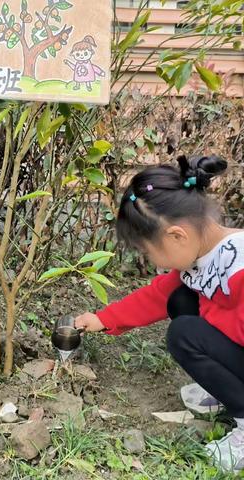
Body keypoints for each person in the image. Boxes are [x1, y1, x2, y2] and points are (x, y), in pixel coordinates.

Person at [75, 155, 244, 473]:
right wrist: (104, 319)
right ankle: (228, 392)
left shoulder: (239, 268)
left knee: (185, 334)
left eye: (149, 252)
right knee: (181, 300)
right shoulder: (201, 254)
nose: (156, 263)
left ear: (177, 236)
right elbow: (157, 296)